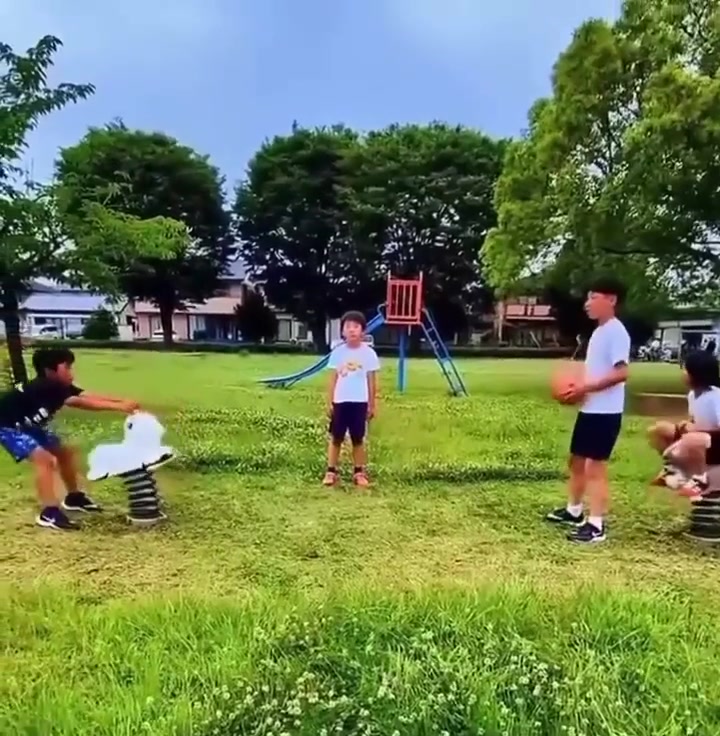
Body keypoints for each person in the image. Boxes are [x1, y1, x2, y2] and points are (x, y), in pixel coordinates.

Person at [0, 346, 140, 530]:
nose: (71, 373)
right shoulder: (47, 386)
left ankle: (74, 498)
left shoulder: (59, 387)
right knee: (45, 460)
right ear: (49, 371)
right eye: (66, 367)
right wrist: (120, 407)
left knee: (64, 453)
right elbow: (80, 402)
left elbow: (85, 394)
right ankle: (49, 513)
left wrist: (123, 401)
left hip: (28, 425)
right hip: (7, 426)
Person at [546, 276, 631, 544]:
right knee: (577, 461)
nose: (587, 303)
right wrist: (577, 389)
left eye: (594, 297)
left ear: (611, 300)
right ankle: (574, 511)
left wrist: (585, 388)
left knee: (595, 467)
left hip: (606, 413)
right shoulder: (599, 332)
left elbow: (621, 373)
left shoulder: (616, 332)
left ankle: (596, 525)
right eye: (587, 297)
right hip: (591, 409)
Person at [647, 349, 720, 499]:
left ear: (696, 374)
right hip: (699, 440)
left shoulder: (716, 397)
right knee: (659, 430)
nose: (683, 373)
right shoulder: (692, 395)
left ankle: (700, 479)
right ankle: (676, 471)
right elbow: (696, 420)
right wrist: (687, 425)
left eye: (686, 370)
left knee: (692, 439)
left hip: (713, 443)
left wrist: (696, 430)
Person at [322, 311, 380, 488]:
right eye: (348, 327)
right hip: (340, 402)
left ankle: (359, 472)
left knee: (358, 438)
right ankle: (331, 471)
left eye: (356, 326)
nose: (352, 330)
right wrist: (330, 401)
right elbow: (332, 379)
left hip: (360, 402)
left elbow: (371, 381)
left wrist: (372, 404)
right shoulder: (338, 353)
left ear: (363, 331)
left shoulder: (369, 354)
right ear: (342, 331)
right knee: (336, 437)